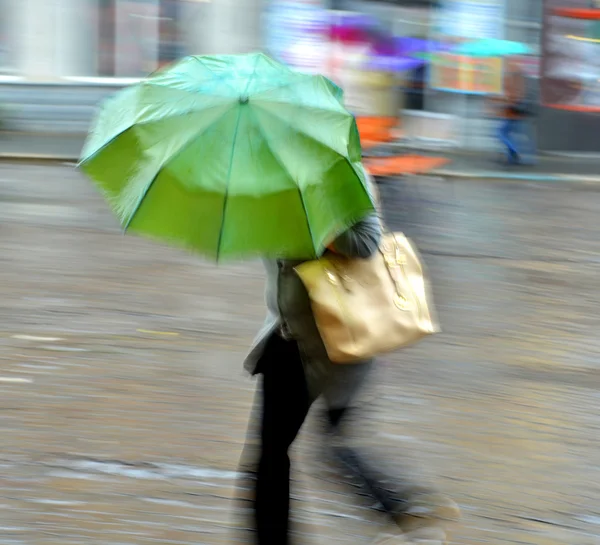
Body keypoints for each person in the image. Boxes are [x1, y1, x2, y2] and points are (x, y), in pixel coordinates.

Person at [234, 180, 460, 545]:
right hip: (292, 333)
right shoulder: (272, 182)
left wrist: (307, 221)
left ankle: (406, 506)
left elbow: (366, 241)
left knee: (290, 453)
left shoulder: (339, 174)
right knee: (287, 452)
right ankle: (404, 507)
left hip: (335, 338)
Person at [497, 57, 536, 165]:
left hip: (512, 114)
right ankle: (512, 157)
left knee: (501, 133)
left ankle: (514, 152)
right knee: (510, 135)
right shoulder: (519, 78)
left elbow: (513, 97)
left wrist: (505, 100)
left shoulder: (514, 78)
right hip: (515, 114)